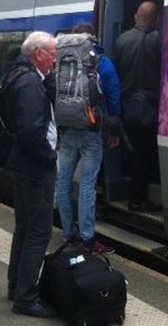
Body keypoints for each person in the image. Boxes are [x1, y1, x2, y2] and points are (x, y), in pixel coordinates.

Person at [3, 32, 58, 318]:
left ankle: (16, 287)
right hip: (35, 167)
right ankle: (25, 298)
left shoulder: (22, 76)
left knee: (25, 229)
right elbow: (30, 131)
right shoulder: (29, 84)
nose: (55, 59)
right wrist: (50, 157)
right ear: (38, 53)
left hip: (22, 165)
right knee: (39, 232)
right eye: (52, 53)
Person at [56, 23, 121, 255]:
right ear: (92, 38)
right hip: (92, 129)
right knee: (87, 183)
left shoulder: (61, 60)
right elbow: (113, 95)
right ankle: (87, 238)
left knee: (63, 181)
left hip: (66, 127)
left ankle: (67, 233)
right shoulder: (101, 62)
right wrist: (114, 128)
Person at [113, 1, 162, 212]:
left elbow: (116, 74)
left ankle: (131, 192)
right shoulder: (158, 40)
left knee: (134, 153)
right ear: (156, 19)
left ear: (135, 17)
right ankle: (137, 200)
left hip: (127, 106)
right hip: (149, 108)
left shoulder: (121, 40)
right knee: (144, 155)